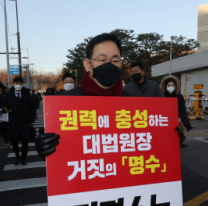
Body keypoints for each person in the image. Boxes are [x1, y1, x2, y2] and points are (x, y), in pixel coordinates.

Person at [35, 32, 185, 157]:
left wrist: (168, 140)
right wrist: (46, 150)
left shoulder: (133, 105)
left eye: (115, 60)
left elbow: (144, 145)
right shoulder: (64, 104)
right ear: (88, 64)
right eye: (102, 60)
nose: (109, 65)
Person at [4, 76, 36, 166]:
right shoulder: (8, 94)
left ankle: (23, 158)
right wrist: (5, 109)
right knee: (14, 141)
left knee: (25, 141)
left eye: (20, 83)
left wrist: (31, 121)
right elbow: (3, 105)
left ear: (22, 84)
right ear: (13, 84)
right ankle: (17, 156)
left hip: (24, 121)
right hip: (13, 122)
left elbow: (31, 108)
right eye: (16, 83)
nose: (18, 85)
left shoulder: (26, 94)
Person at [160, 75, 192, 148]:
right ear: (165, 86)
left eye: (172, 85)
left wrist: (186, 123)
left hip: (176, 119)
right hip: (164, 120)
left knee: (178, 134)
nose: (171, 86)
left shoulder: (179, 96)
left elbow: (182, 110)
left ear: (175, 86)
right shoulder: (161, 96)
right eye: (169, 85)